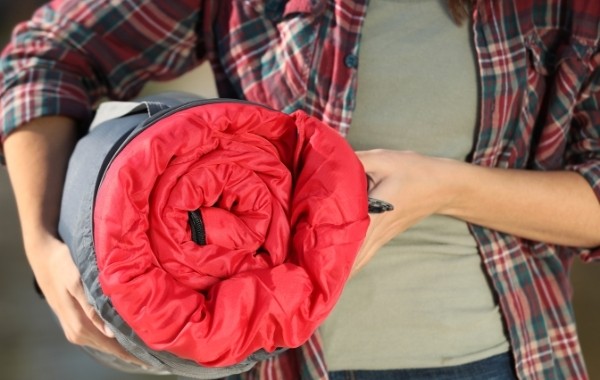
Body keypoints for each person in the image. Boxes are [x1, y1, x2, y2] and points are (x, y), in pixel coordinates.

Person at [1, 0, 599, 379]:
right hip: (280, 364)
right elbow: (42, 58)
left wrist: (445, 188)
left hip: (497, 361)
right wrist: (43, 248)